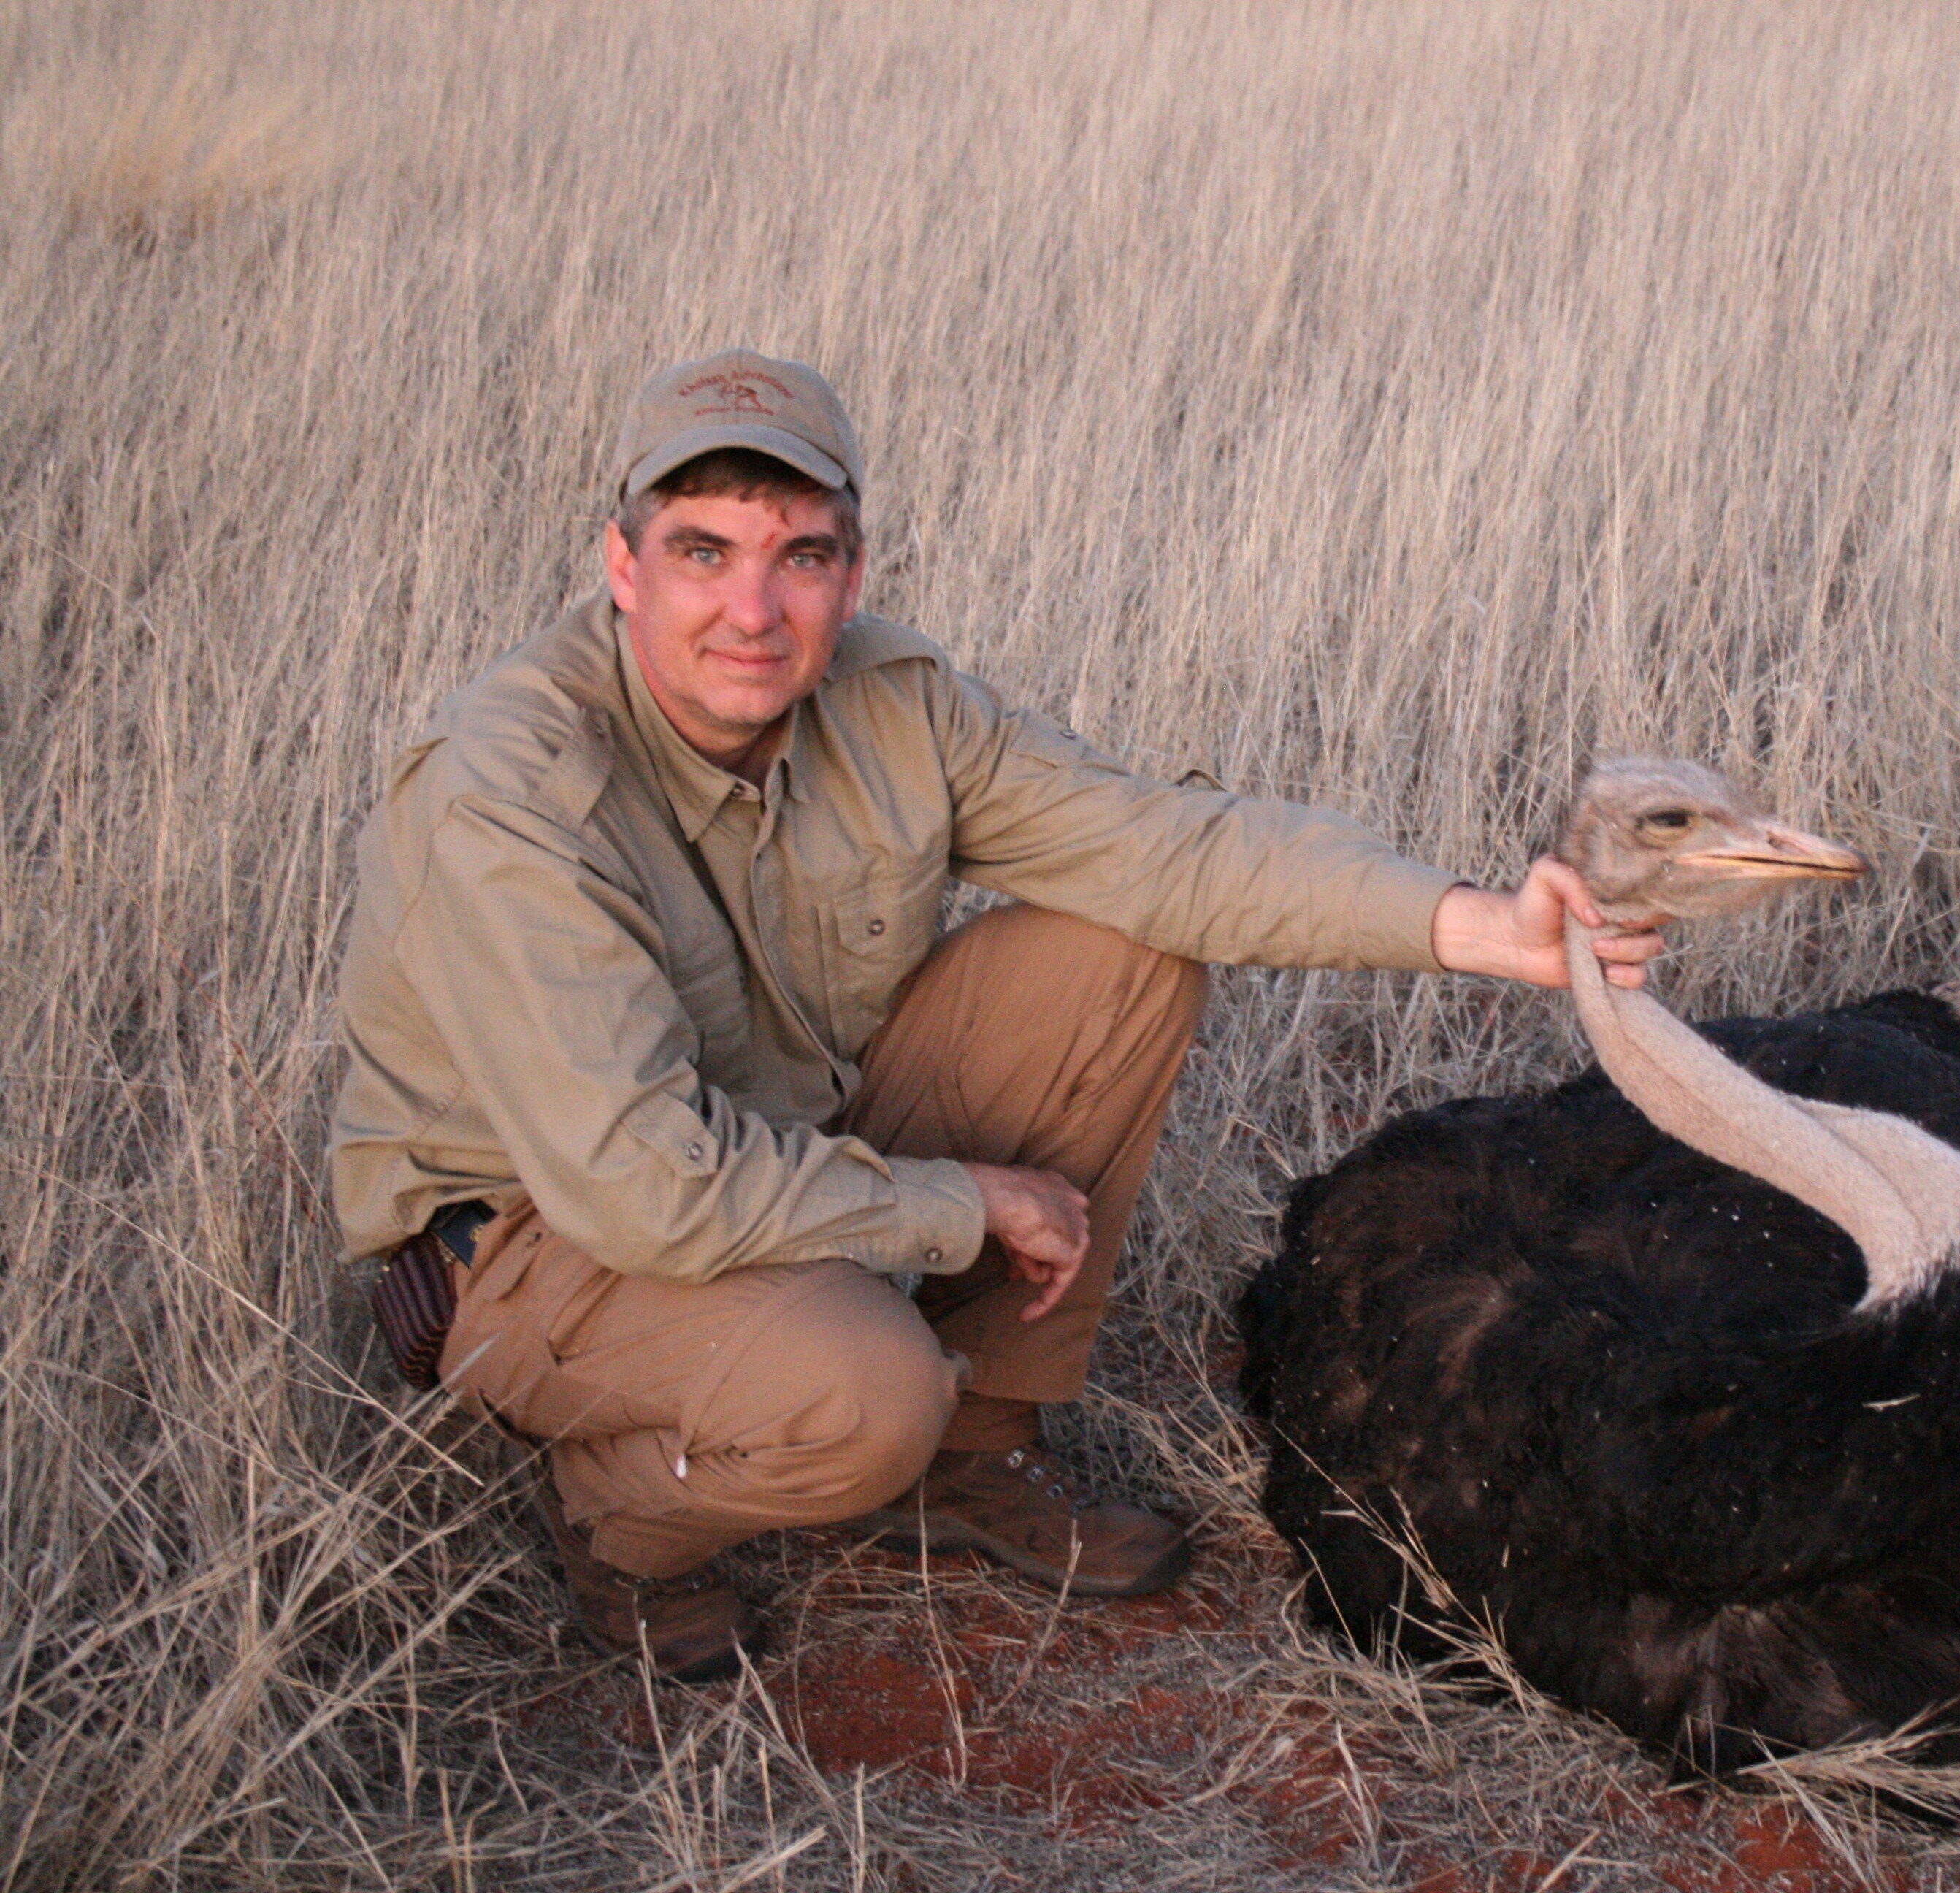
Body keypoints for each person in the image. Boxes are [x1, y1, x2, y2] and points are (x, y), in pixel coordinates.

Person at [330, 348, 1662, 1680]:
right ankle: (620, 1517)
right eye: (701, 551)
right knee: (868, 1390)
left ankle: (968, 1461)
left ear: (851, 576)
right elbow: (639, 1186)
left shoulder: (887, 701)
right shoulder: (508, 792)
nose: (751, 606)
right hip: (538, 1230)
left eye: (798, 555)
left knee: (1125, 949)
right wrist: (961, 1202)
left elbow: (1166, 849)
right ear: (622, 569)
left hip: (765, 1136)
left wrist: (1479, 924)